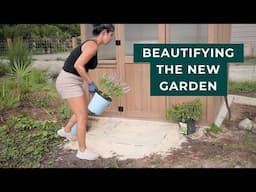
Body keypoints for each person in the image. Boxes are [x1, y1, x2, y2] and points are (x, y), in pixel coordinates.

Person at [55, 24, 115, 160]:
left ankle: (66, 130)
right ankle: (82, 151)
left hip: (73, 81)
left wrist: (89, 85)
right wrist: (91, 83)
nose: (111, 38)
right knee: (82, 116)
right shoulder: (92, 46)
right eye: (111, 35)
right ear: (104, 32)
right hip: (68, 82)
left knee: (83, 109)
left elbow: (82, 68)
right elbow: (78, 65)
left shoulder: (92, 45)